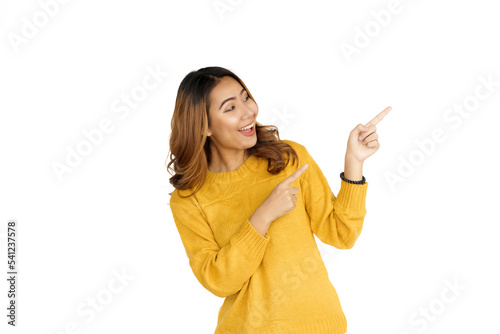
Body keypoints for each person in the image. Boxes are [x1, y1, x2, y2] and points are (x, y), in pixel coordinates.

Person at [166, 66, 391, 333]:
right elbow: (219, 281)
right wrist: (262, 216)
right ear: (204, 126)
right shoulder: (189, 199)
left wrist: (353, 161)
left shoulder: (290, 159)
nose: (249, 111)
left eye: (246, 97)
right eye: (230, 108)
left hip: (320, 325)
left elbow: (341, 233)